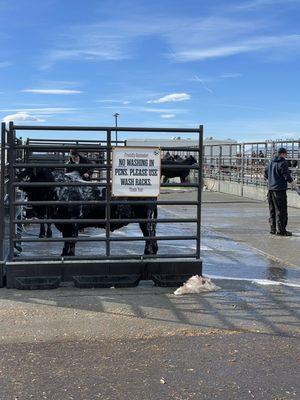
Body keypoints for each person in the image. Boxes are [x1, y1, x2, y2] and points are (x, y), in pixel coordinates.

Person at [264, 147, 294, 236]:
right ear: (282, 154)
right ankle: (281, 230)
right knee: (281, 210)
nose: (285, 156)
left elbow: (265, 174)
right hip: (279, 190)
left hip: (270, 190)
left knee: (272, 210)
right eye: (285, 154)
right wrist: (293, 183)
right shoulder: (282, 162)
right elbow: (286, 175)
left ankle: (273, 229)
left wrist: (271, 181)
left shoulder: (270, 162)